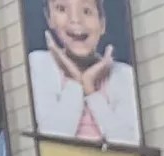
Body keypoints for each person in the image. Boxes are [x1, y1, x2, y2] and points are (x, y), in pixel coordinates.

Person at [28, 0, 141, 148]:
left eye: (87, 11)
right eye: (62, 9)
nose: (75, 20)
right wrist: (75, 82)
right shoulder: (39, 63)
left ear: (102, 24)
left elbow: (130, 145)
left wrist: (91, 90)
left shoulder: (123, 74)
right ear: (49, 18)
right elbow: (52, 141)